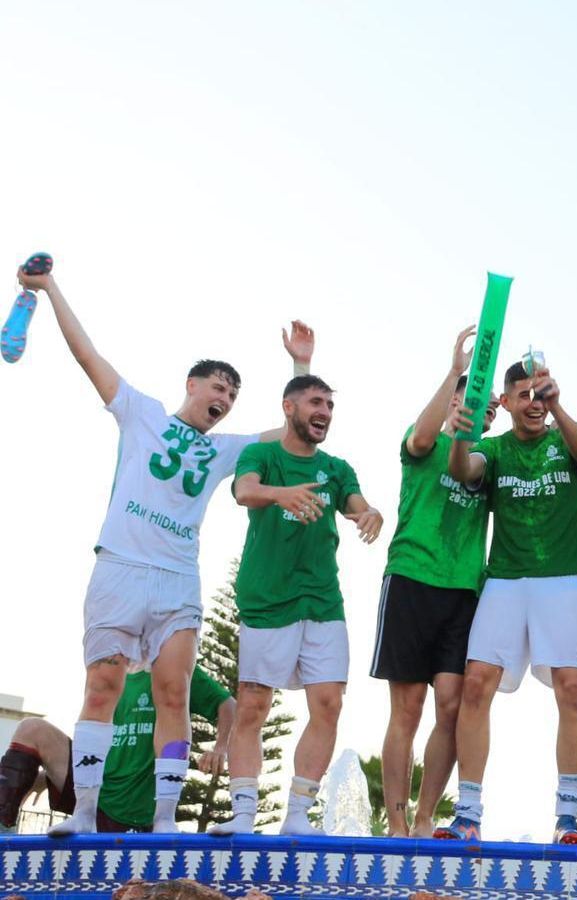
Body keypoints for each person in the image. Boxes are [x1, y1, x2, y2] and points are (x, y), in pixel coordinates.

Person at [21, 261, 311, 835]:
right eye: (218, 387)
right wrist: (50, 289)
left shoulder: (227, 448)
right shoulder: (141, 413)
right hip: (121, 568)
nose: (225, 398)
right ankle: (82, 811)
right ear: (192, 385)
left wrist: (301, 366)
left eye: (232, 393)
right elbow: (88, 357)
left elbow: (294, 432)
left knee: (173, 690)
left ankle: (163, 820)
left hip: (177, 578)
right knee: (101, 686)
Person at [208, 375, 383, 836]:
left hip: (323, 600)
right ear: (289, 408)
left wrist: (370, 515)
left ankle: (299, 815)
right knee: (252, 706)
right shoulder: (261, 456)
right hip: (267, 598)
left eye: (329, 403)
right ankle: (244, 814)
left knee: (328, 703)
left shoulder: (337, 467)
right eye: (315, 402)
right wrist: (283, 494)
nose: (324, 410)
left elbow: (357, 505)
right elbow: (244, 490)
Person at [438, 358, 577, 843]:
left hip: (564, 578)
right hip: (505, 579)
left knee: (572, 688)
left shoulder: (567, 434)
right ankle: (468, 813)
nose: (533, 404)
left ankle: (568, 815)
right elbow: (465, 468)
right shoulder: (494, 448)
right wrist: (463, 434)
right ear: (504, 402)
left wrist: (559, 406)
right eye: (523, 396)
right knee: (476, 685)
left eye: (540, 394)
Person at [369, 327, 493, 837]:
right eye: (469, 400)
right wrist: (453, 372)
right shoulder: (423, 441)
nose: (478, 410)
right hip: (411, 579)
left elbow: (468, 472)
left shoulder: (487, 459)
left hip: (463, 589)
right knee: (409, 706)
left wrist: (470, 432)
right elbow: (422, 439)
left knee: (450, 705)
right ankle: (396, 823)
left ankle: (425, 819)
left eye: (487, 407)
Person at [1, 669, 234, 833]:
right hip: (90, 795)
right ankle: (3, 830)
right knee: (31, 729)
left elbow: (228, 705)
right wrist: (46, 775)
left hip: (135, 807)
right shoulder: (107, 672)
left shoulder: (173, 670)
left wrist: (221, 746)